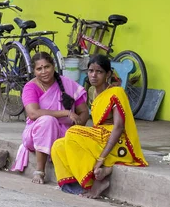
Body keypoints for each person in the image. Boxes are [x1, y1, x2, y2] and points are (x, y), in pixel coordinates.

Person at [51, 54, 148, 198]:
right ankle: (77, 185)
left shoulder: (116, 92)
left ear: (108, 74)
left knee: (73, 133)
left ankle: (98, 180)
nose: (94, 75)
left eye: (99, 71)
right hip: (99, 136)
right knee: (58, 145)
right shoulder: (92, 92)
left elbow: (119, 127)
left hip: (117, 141)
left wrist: (102, 158)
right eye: (91, 71)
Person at [11, 52, 89, 184]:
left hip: (64, 134)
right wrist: (65, 113)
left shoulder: (67, 84)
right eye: (39, 69)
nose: (44, 71)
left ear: (53, 66)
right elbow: (33, 114)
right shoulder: (30, 87)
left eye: (47, 67)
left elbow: (84, 111)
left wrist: (77, 126)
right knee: (48, 120)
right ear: (34, 71)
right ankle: (40, 171)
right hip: (35, 135)